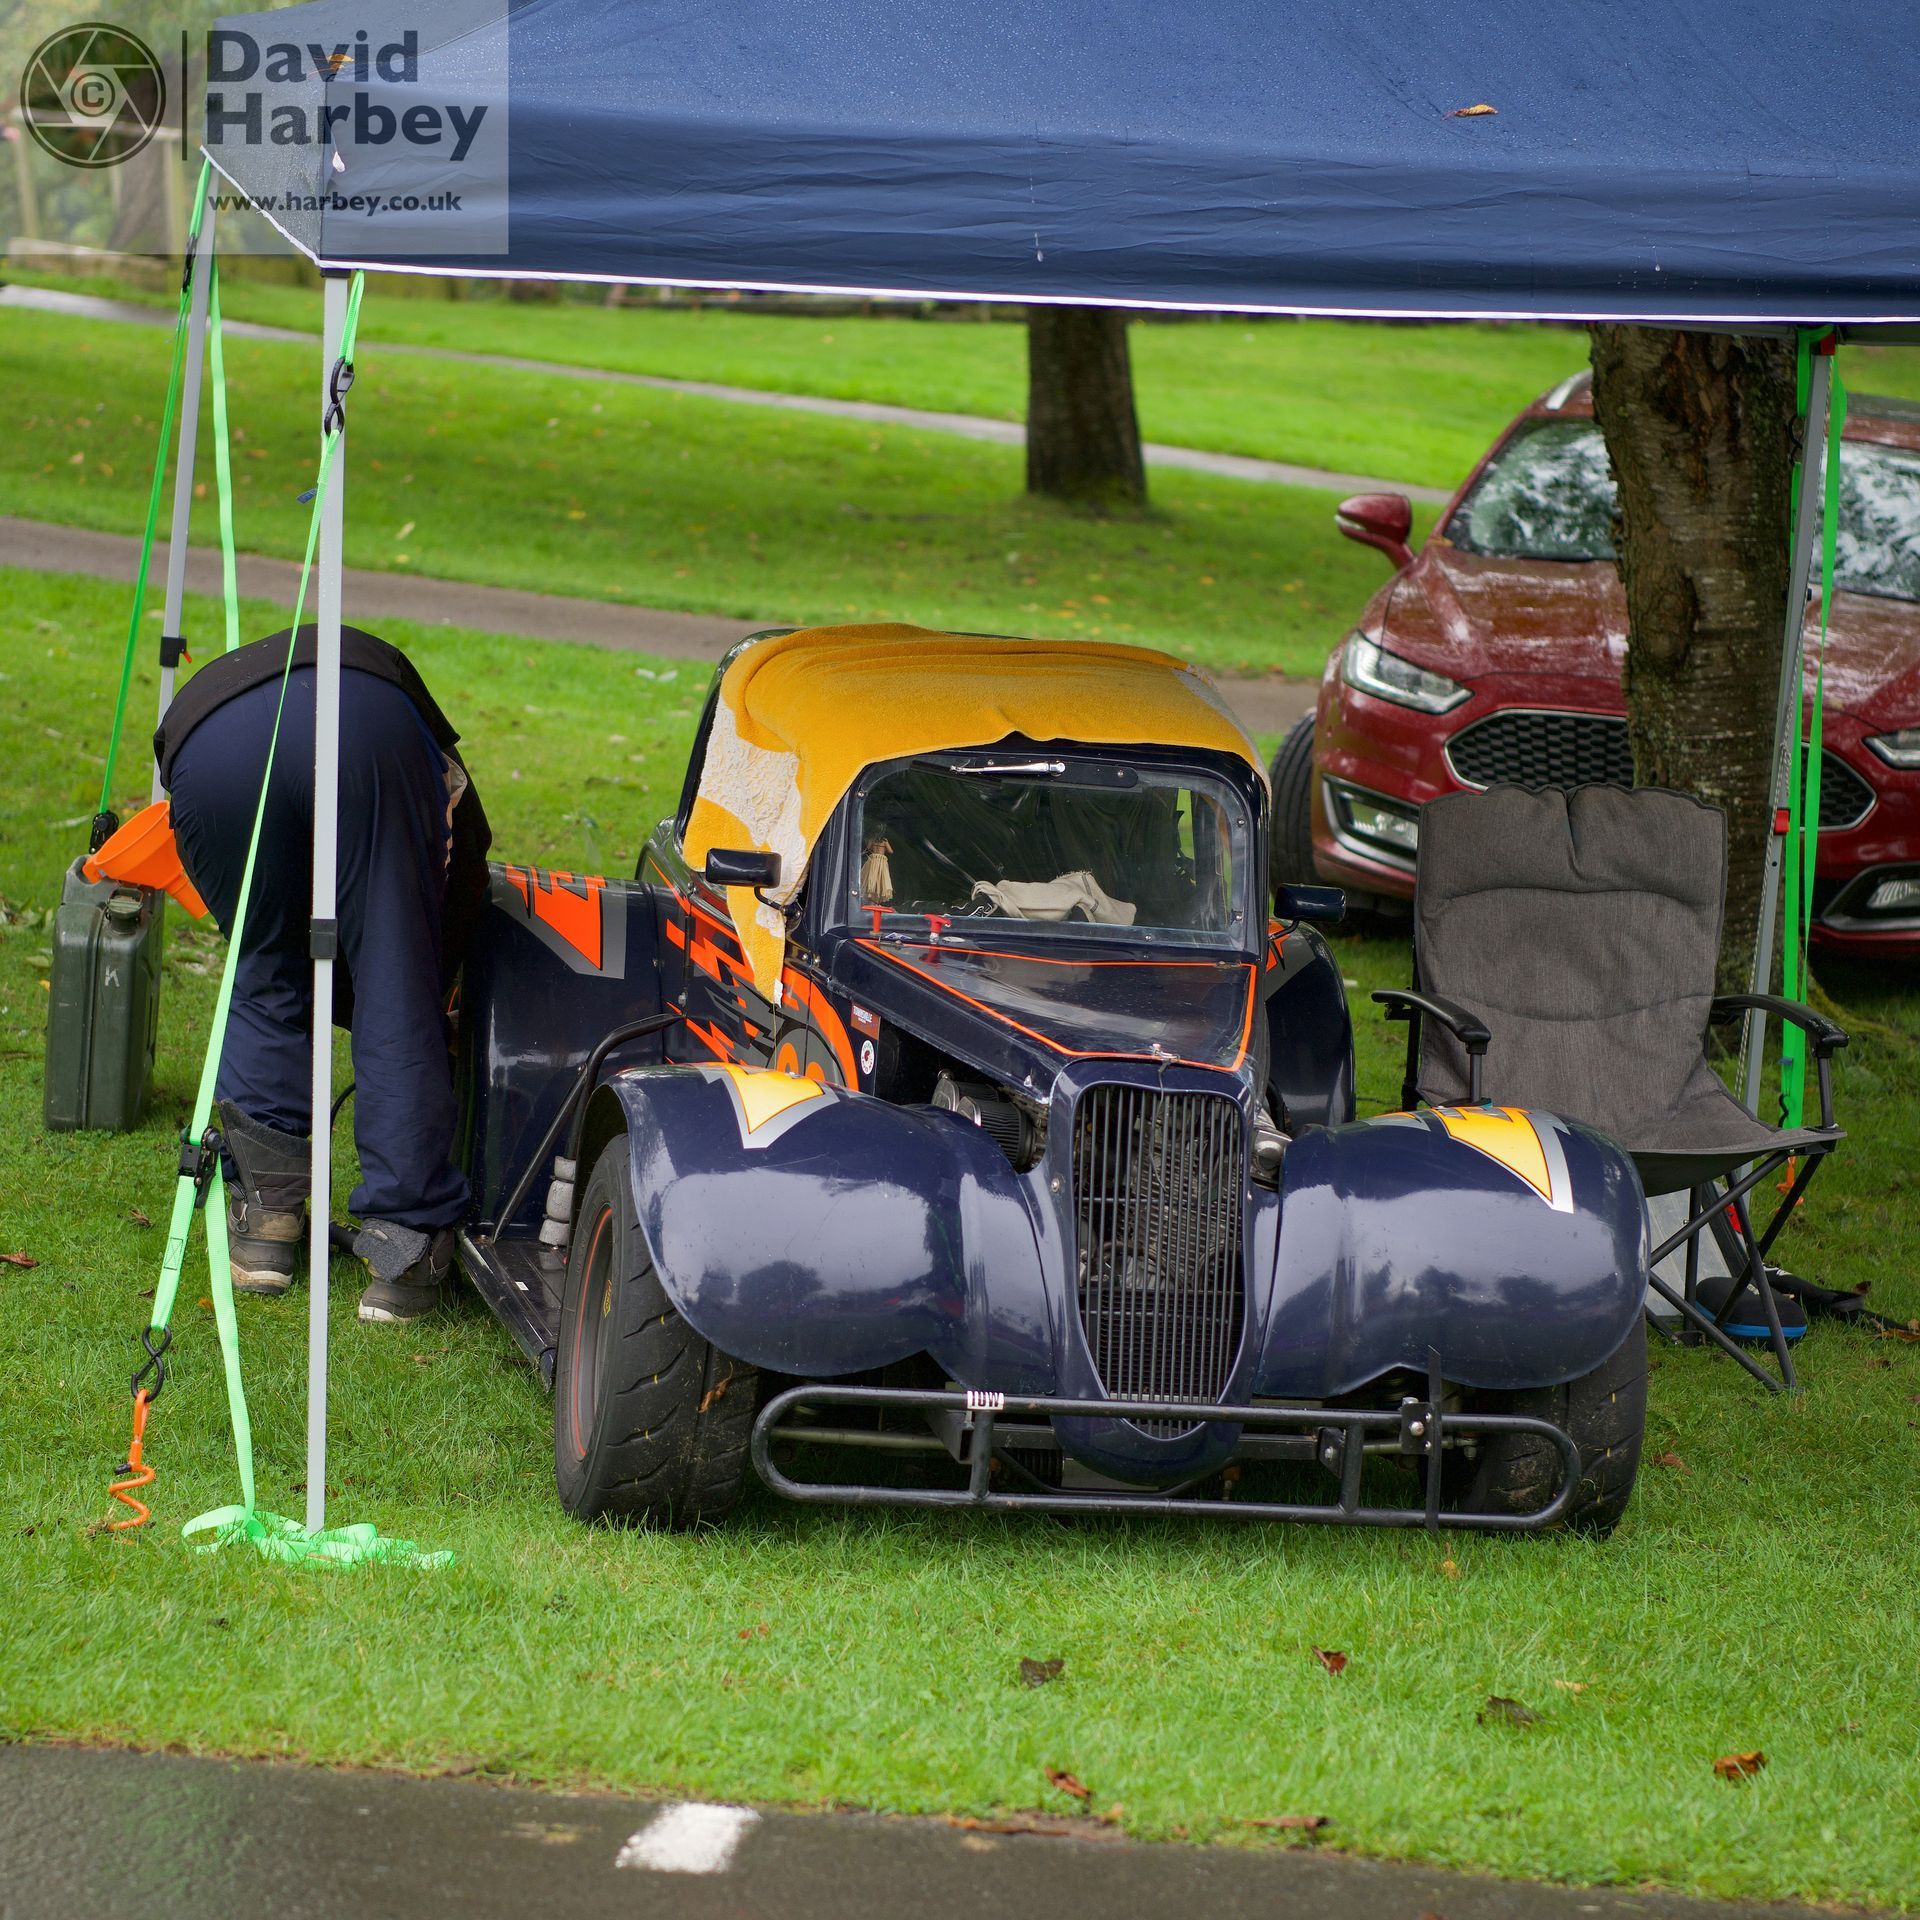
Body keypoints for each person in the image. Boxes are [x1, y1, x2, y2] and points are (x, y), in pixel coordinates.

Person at [154, 623, 490, 1323]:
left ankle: (266, 1223)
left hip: (207, 744)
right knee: (400, 982)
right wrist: (428, 986)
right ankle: (405, 1248)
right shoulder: (445, 777)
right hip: (368, 731)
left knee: (265, 965)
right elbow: (450, 900)